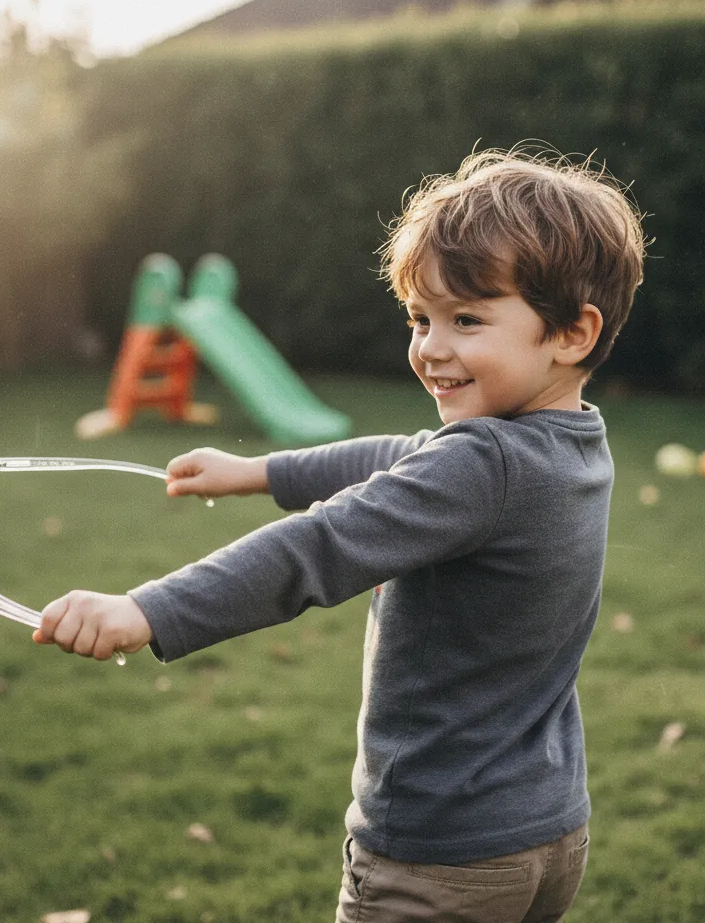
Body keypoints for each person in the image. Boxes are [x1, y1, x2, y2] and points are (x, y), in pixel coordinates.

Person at [35, 145, 646, 923]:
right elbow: (404, 456)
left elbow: (321, 546)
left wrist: (149, 609)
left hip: (438, 856)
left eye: (466, 319)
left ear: (571, 333)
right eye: (420, 318)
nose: (431, 346)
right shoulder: (570, 445)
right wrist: (262, 472)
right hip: (545, 835)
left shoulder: (483, 465)